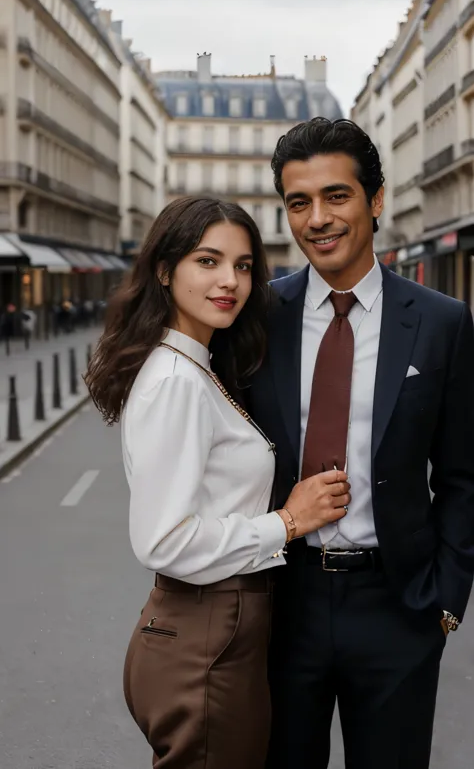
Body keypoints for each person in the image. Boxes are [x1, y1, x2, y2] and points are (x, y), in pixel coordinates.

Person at [84, 196, 352, 769]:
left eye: (244, 265)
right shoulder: (178, 380)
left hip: (213, 633)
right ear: (164, 269)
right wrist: (288, 522)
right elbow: (164, 540)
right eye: (208, 261)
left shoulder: (199, 367)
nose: (230, 280)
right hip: (206, 633)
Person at [246, 118, 474, 769]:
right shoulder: (257, 321)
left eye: (336, 196)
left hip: (398, 608)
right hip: (281, 604)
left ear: (375, 200)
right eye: (298, 202)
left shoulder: (441, 323)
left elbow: (463, 476)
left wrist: (446, 604)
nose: (317, 218)